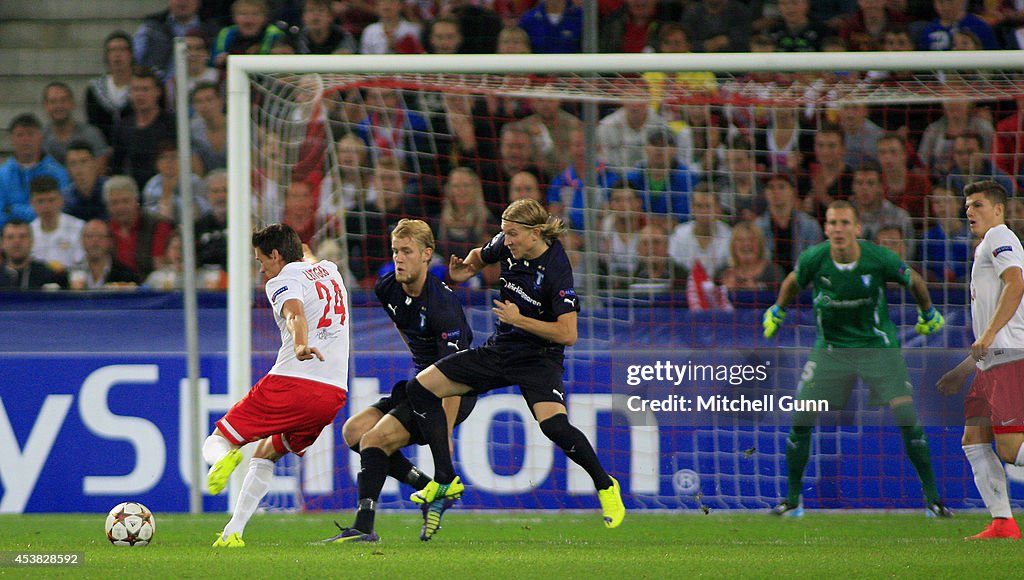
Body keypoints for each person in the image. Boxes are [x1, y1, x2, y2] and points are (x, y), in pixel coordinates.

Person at [404, 198, 626, 531]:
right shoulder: (507, 244)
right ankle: (445, 478)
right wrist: (467, 268)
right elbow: (482, 254)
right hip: (501, 350)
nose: (506, 240)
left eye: (513, 234)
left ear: (535, 233)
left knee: (554, 426)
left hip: (539, 357)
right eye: (505, 233)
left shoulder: (556, 269)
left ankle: (606, 486)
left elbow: (568, 334)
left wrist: (520, 320)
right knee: (419, 388)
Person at [763, 200, 952, 519]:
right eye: (833, 223)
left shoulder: (878, 258)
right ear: (825, 228)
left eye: (845, 223)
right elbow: (792, 282)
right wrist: (779, 310)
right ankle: (793, 501)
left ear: (857, 228)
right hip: (831, 349)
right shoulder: (814, 258)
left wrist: (928, 312)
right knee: (801, 418)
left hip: (876, 347)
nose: (838, 229)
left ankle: (933, 501)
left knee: (906, 415)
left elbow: (915, 281)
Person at [324, 218, 474, 543]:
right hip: (419, 385)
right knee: (354, 432)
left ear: (426, 255)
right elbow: (406, 330)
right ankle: (425, 488)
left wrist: (443, 436)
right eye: (395, 251)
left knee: (374, 440)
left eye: (407, 251)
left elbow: (455, 377)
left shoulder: (444, 307)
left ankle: (364, 527)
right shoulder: (387, 287)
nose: (399, 258)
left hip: (451, 390)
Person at [205, 223, 350, 547]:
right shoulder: (330, 270)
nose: (261, 270)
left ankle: (222, 458)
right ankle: (233, 534)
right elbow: (306, 256)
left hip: (293, 382)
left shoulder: (281, 280)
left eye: (261, 261)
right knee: (267, 451)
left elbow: (294, 314)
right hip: (332, 394)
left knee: (218, 440)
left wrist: (300, 346)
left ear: (275, 255)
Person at [936, 180, 1024, 540]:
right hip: (992, 362)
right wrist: (963, 370)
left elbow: (1016, 283)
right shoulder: (985, 247)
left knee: (1009, 448)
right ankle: (1003, 523)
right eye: (967, 206)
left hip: (1009, 359)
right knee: (974, 438)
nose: (969, 211)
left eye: (977, 205)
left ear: (999, 210)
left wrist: (987, 337)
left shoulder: (1000, 236)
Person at [0, 114, 72, 229]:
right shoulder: (2, 175)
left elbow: (59, 211)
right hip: (10, 238)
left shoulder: (58, 173)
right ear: (11, 139)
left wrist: (13, 209)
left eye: (30, 134)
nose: (25, 140)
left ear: (40, 137)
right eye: (20, 135)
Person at [110, 67, 178, 189]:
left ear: (157, 92)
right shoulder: (123, 127)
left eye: (145, 89)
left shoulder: (172, 124)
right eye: (135, 90)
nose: (140, 95)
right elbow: (117, 167)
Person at [104, 175, 175, 280]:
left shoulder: (158, 226)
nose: (120, 207)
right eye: (114, 202)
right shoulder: (104, 230)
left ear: (136, 202)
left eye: (125, 201)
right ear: (107, 206)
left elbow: (159, 268)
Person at [756, 171, 822, 273]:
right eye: (770, 187)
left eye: (781, 187)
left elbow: (815, 262)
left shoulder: (810, 225)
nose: (775, 191)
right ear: (765, 192)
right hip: (768, 285)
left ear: (792, 191)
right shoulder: (757, 227)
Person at [40, 82, 110, 169]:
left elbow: (100, 169)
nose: (59, 106)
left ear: (72, 103)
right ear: (45, 106)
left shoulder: (91, 134)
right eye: (53, 101)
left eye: (63, 100)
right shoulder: (40, 138)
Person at [86, 31, 135, 144]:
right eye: (112, 50)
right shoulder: (94, 90)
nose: (117, 55)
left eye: (122, 49)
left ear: (131, 54)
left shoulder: (141, 87)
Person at [28, 176, 85, 272]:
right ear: (32, 203)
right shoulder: (28, 232)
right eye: (40, 201)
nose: (46, 206)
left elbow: (81, 265)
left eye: (51, 200)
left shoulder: (79, 228)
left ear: (61, 200)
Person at [66, 219, 139, 289]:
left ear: (109, 241)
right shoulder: (70, 273)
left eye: (100, 236)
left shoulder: (126, 275)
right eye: (90, 236)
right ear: (82, 241)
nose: (95, 241)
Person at [63, 141, 109, 222]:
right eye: (73, 163)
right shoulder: (66, 199)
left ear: (94, 163)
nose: (79, 169)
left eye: (84, 162)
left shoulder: (110, 190)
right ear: (68, 168)